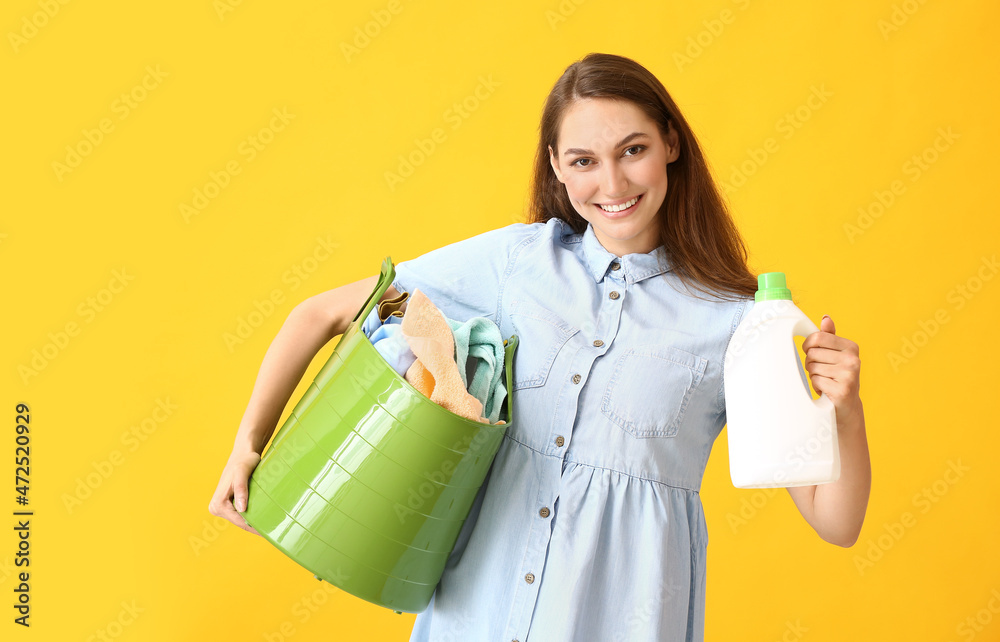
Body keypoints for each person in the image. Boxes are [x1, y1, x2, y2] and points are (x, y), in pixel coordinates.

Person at [209, 52, 871, 641]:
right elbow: (325, 313)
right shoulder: (515, 266)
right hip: (475, 619)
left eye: (632, 150)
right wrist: (249, 446)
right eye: (584, 161)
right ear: (557, 165)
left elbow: (836, 521)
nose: (611, 185)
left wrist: (845, 411)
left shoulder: (739, 322)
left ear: (671, 142)